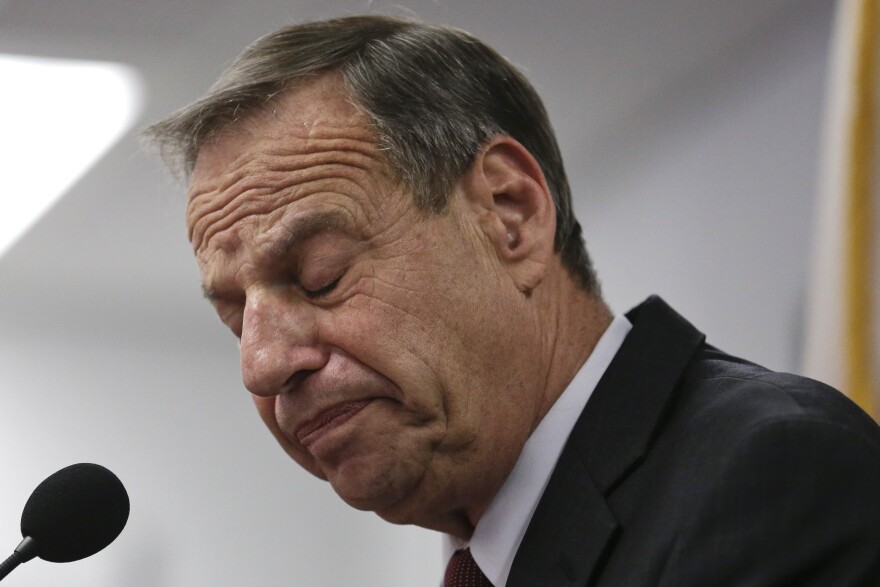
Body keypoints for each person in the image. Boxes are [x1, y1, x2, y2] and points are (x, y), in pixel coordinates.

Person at [144, 15, 880, 586]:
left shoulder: (769, 481)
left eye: (321, 275)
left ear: (509, 213)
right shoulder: (496, 546)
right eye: (236, 317)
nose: (264, 364)